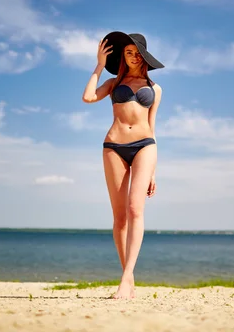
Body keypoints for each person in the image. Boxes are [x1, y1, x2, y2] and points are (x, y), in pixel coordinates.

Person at [82, 31, 164, 299]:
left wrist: (152, 171)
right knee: (119, 218)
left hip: (144, 146)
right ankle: (127, 278)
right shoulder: (113, 83)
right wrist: (98, 64)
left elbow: (152, 128)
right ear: (122, 56)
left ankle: (126, 277)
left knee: (134, 209)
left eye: (137, 52)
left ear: (144, 56)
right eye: (128, 52)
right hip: (113, 147)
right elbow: (88, 97)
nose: (132, 56)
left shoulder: (155, 89)